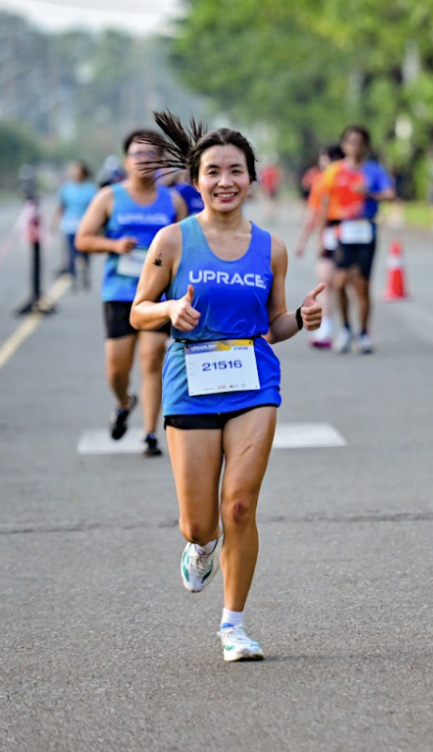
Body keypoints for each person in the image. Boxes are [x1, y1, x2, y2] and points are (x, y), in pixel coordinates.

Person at [130, 111, 324, 662]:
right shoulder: (172, 240)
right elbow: (139, 312)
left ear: (251, 178)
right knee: (201, 521)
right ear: (196, 181)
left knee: (239, 506)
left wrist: (302, 321)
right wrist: (168, 308)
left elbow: (275, 323)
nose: (224, 181)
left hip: (252, 381)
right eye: (213, 171)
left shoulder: (272, 248)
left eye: (235, 170)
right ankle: (201, 546)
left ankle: (233, 625)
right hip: (190, 382)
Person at [75, 131, 189, 457]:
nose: (145, 161)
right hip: (120, 292)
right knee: (117, 368)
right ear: (126, 160)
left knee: (152, 359)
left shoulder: (173, 201)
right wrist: (113, 245)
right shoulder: (109, 197)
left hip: (158, 294)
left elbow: (188, 243)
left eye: (152, 154)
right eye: (138, 154)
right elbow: (83, 239)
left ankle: (150, 433)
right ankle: (124, 402)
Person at [295, 143, 366, 349]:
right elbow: (315, 211)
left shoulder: (355, 177)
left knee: (352, 283)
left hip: (351, 236)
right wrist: (306, 239)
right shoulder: (323, 179)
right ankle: (327, 328)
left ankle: (358, 328)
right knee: (326, 281)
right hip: (330, 236)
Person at [338, 125, 395, 354]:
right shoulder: (336, 171)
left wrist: (369, 193)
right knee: (340, 282)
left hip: (365, 230)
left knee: (362, 285)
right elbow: (323, 199)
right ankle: (345, 328)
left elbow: (391, 194)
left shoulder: (374, 171)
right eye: (351, 141)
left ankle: (363, 332)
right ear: (344, 145)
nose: (355, 146)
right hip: (342, 230)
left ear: (366, 146)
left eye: (359, 142)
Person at [54, 161, 97, 291]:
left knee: (84, 253)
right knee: (71, 254)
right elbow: (61, 206)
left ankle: (84, 274)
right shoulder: (66, 188)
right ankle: (72, 277)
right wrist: (54, 222)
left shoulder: (90, 189)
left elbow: (95, 209)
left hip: (86, 226)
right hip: (70, 226)